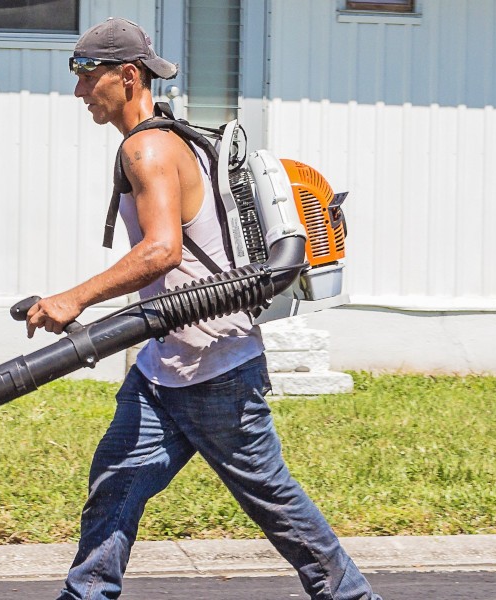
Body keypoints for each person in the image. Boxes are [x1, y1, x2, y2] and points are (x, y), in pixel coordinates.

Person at [25, 17, 381, 600]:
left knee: (275, 503)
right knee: (114, 486)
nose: (79, 91)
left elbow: (161, 251)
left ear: (127, 75)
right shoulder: (165, 139)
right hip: (165, 366)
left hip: (216, 369)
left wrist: (74, 298)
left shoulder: (149, 147)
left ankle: (352, 596)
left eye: (87, 75)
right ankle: (86, 594)